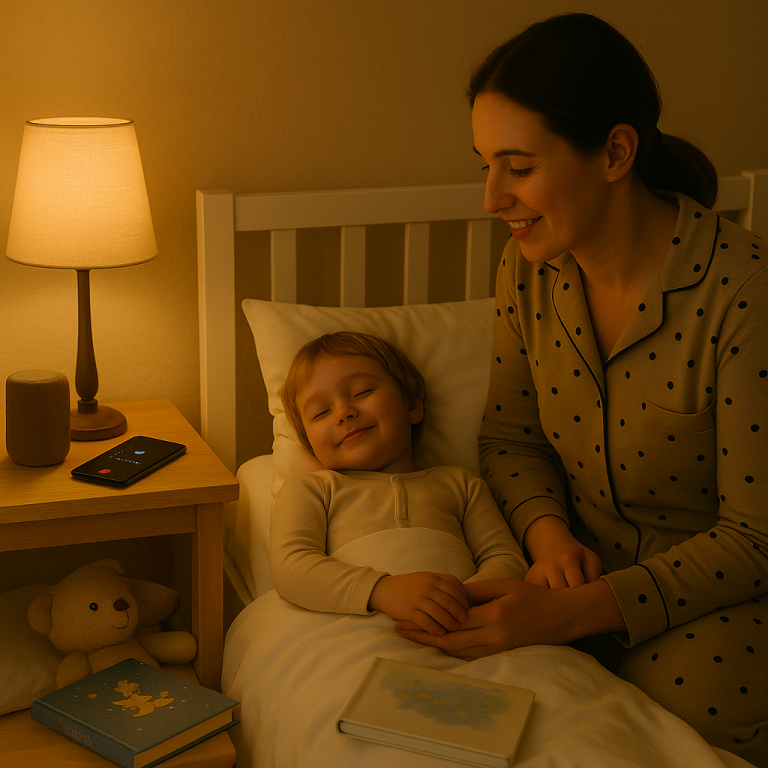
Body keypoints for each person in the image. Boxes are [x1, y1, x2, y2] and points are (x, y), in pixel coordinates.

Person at [395, 12, 768, 765]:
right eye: (485, 166)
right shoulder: (528, 269)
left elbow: (755, 539)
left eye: (518, 167)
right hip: (567, 573)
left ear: (616, 152)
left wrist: (569, 615)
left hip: (712, 593)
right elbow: (511, 438)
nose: (492, 197)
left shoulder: (744, 296)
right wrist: (548, 537)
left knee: (689, 721)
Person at [270, 331, 528, 636]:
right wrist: (383, 590)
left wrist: (453, 602)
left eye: (363, 392)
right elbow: (292, 567)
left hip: (462, 627)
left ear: (412, 406)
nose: (343, 412)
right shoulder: (311, 489)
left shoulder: (462, 484)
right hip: (355, 634)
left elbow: (506, 559)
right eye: (321, 412)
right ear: (310, 444)